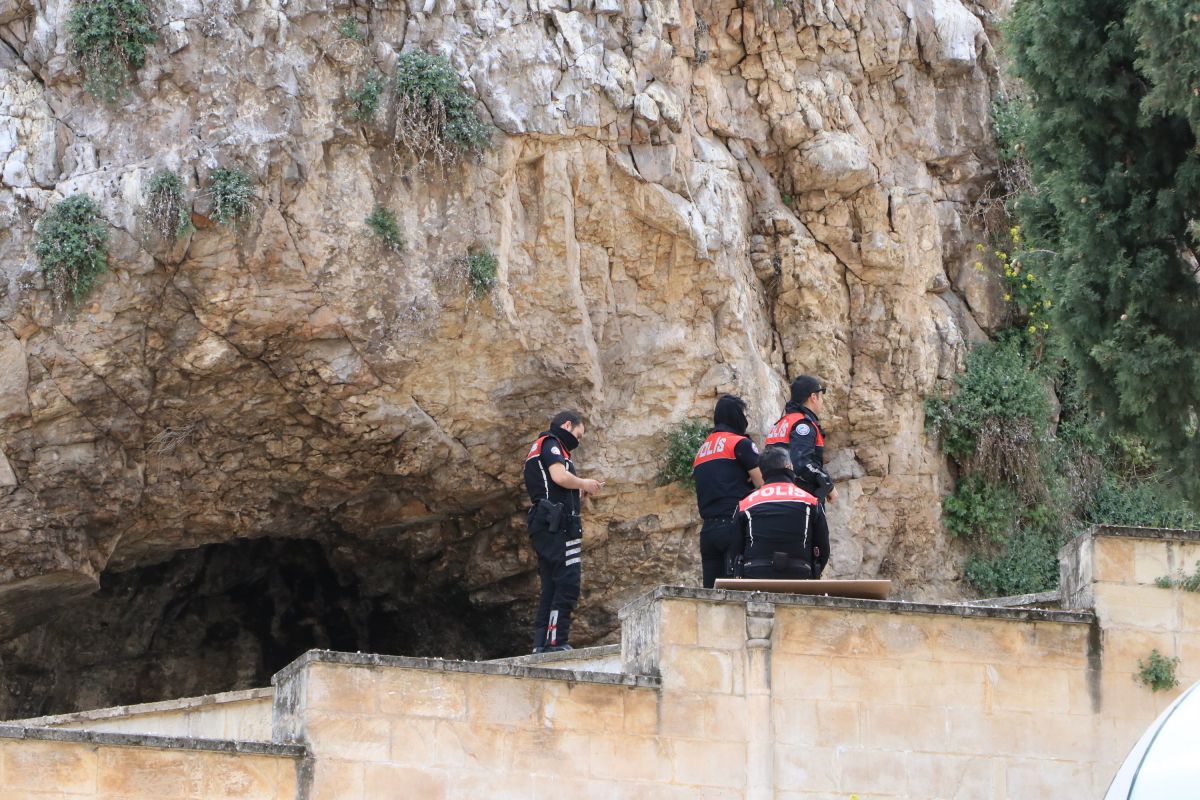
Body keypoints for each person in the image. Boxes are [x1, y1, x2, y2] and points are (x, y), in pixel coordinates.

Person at [523, 410, 602, 653]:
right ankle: (556, 641)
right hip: (555, 523)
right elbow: (558, 477)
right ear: (567, 425)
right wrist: (583, 483)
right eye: (578, 434)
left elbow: (558, 487)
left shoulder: (548, 448)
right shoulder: (550, 443)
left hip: (547, 521)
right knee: (567, 582)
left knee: (551, 584)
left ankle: (541, 644)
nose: (578, 441)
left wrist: (580, 493)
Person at [692, 395, 763, 588]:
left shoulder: (702, 451)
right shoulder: (740, 444)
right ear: (736, 416)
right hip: (734, 527)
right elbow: (762, 484)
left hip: (708, 532)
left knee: (712, 594)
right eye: (744, 415)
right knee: (736, 593)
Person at [733, 448, 830, 579]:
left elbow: (734, 548)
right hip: (799, 576)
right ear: (789, 466)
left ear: (762, 473)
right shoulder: (811, 501)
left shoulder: (745, 503)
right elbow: (823, 548)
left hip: (755, 576)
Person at [764, 375, 837, 504]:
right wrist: (827, 484)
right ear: (813, 397)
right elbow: (801, 462)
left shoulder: (780, 424)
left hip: (774, 496)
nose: (822, 401)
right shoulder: (803, 425)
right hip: (799, 499)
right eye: (821, 395)